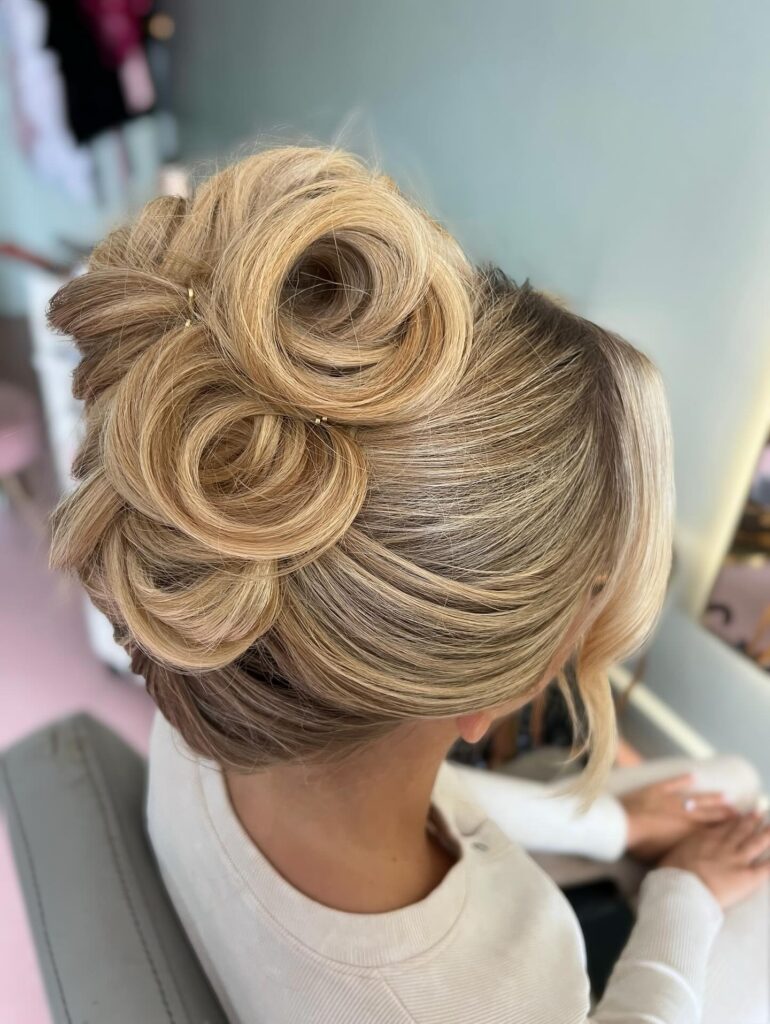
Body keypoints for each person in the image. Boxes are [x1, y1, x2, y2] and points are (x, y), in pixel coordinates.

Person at [49, 145, 770, 1023]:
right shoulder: (506, 980)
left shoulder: (210, 684)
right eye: (587, 602)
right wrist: (682, 898)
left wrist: (619, 831)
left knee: (726, 785)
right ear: (493, 697)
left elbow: (396, 785)